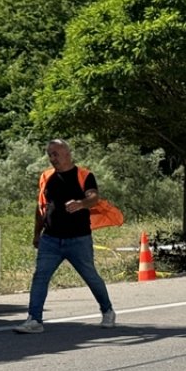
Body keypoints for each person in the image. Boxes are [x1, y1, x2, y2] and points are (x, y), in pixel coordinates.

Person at [14, 139, 117, 334]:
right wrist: (37, 234)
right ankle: (34, 319)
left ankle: (107, 310)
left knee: (90, 276)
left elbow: (94, 197)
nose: (52, 158)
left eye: (56, 154)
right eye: (50, 154)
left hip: (78, 239)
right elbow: (41, 207)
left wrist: (81, 203)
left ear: (68, 154)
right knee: (40, 277)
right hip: (50, 238)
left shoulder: (84, 175)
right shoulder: (46, 177)